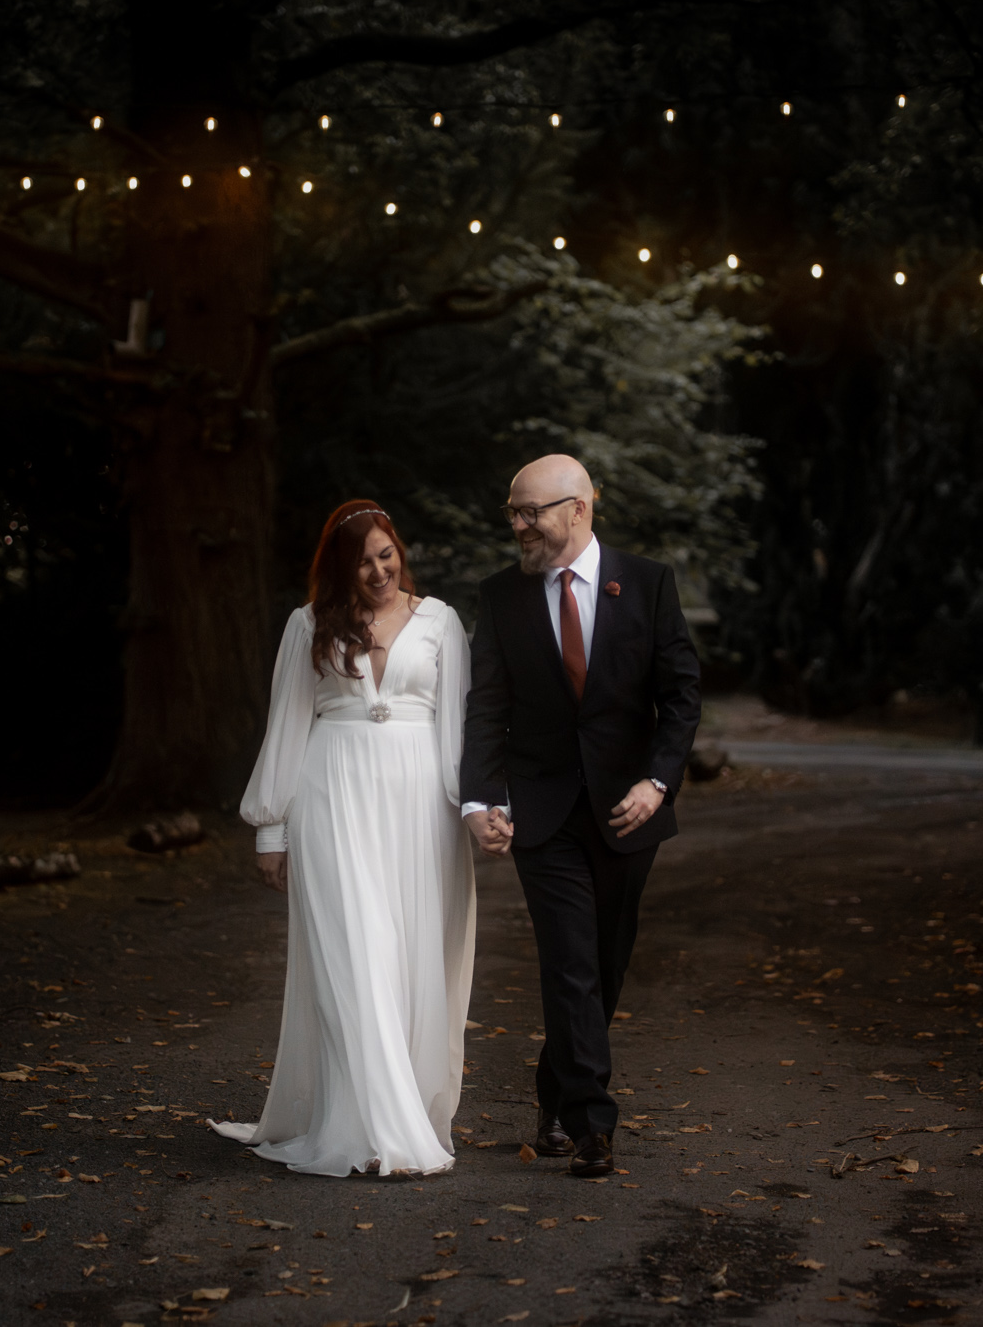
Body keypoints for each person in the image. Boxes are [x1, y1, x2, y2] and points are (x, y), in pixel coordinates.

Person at [214, 500, 478, 1176]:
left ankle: (406, 1109)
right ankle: (370, 1130)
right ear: (340, 567)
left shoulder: (441, 622)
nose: (379, 570)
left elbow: (459, 728)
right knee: (354, 956)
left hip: (422, 810)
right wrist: (270, 827)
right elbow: (287, 726)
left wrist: (473, 807)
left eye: (386, 554)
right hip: (333, 799)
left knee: (412, 958)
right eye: (363, 561)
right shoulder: (307, 626)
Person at [461, 454, 701, 1178]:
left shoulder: (649, 583)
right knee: (570, 962)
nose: (519, 524)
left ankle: (554, 1088)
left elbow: (681, 694)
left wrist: (658, 782)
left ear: (579, 509)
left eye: (531, 511)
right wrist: (481, 797)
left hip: (629, 813)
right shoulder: (502, 596)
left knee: (604, 963)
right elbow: (487, 707)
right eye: (513, 511)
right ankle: (593, 1123)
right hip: (544, 811)